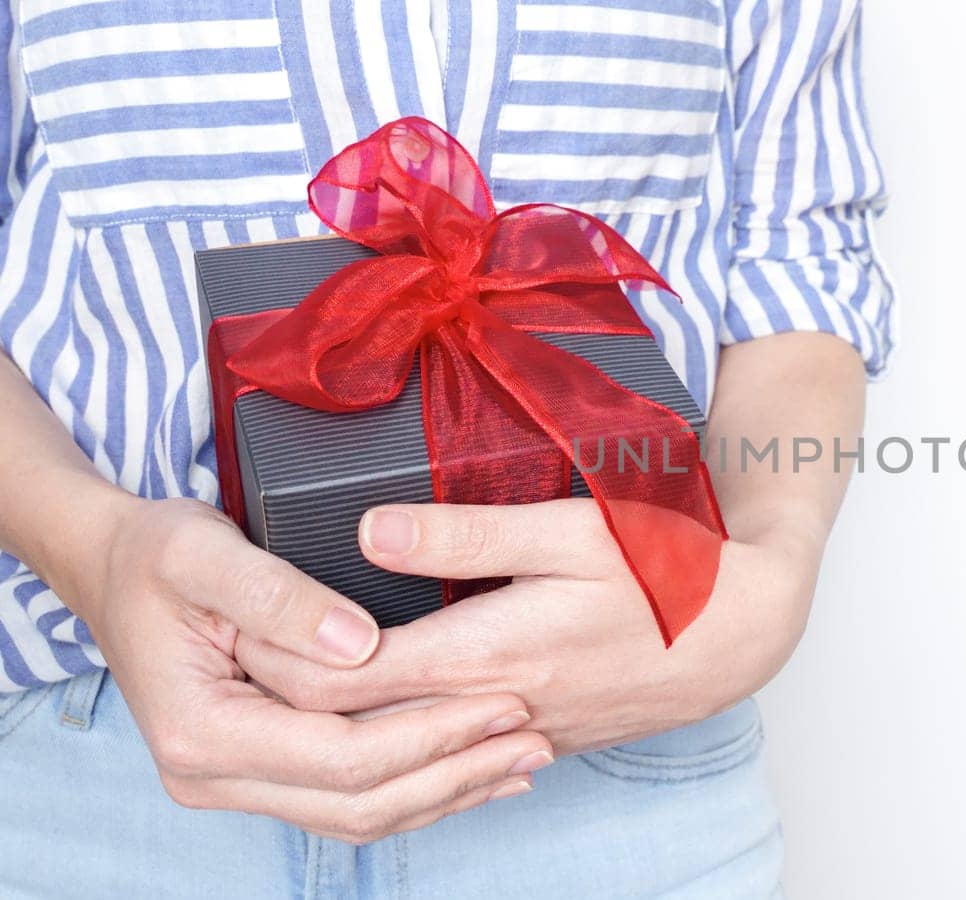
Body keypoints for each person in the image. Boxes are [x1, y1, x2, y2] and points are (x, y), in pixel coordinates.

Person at [0, 1, 894, 896]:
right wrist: (96, 550)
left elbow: (795, 258)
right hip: (99, 771)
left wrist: (769, 566)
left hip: (627, 758)